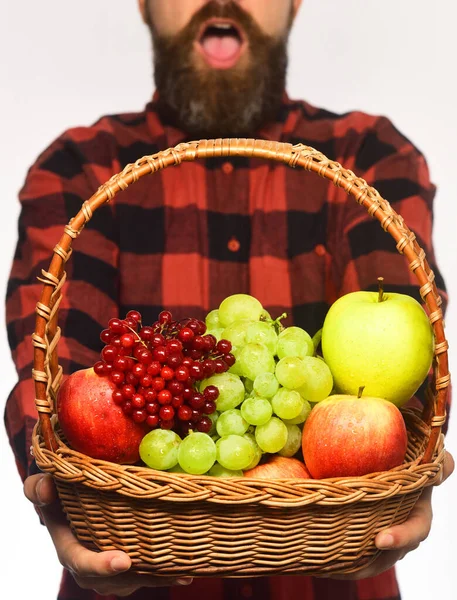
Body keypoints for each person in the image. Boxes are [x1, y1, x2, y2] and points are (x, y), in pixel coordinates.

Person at [5, 0, 454, 599]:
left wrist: (411, 469)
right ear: (143, 4)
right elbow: (56, 381)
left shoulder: (367, 156)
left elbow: (407, 369)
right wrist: (52, 483)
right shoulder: (81, 168)